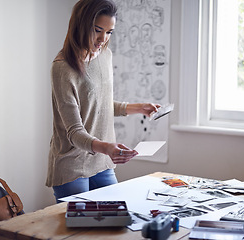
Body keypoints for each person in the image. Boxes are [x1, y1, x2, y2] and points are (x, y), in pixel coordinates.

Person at [46, 0, 160, 203]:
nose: (103, 39)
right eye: (98, 30)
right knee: (80, 231)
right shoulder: (62, 68)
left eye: (109, 32)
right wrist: (108, 147)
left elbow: (101, 105)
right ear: (80, 25)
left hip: (102, 161)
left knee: (117, 222)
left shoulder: (105, 55)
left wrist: (140, 108)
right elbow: (74, 132)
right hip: (73, 164)